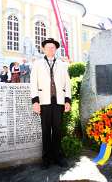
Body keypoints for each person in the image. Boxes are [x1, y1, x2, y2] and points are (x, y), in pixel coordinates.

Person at [30, 38, 72, 169]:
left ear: (56, 49)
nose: (50, 49)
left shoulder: (62, 64)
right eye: (48, 47)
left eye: (53, 47)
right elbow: (33, 83)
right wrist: (35, 101)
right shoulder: (37, 64)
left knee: (58, 130)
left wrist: (67, 101)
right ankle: (46, 159)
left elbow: (67, 84)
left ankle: (58, 157)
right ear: (43, 49)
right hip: (44, 102)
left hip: (59, 102)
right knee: (46, 131)